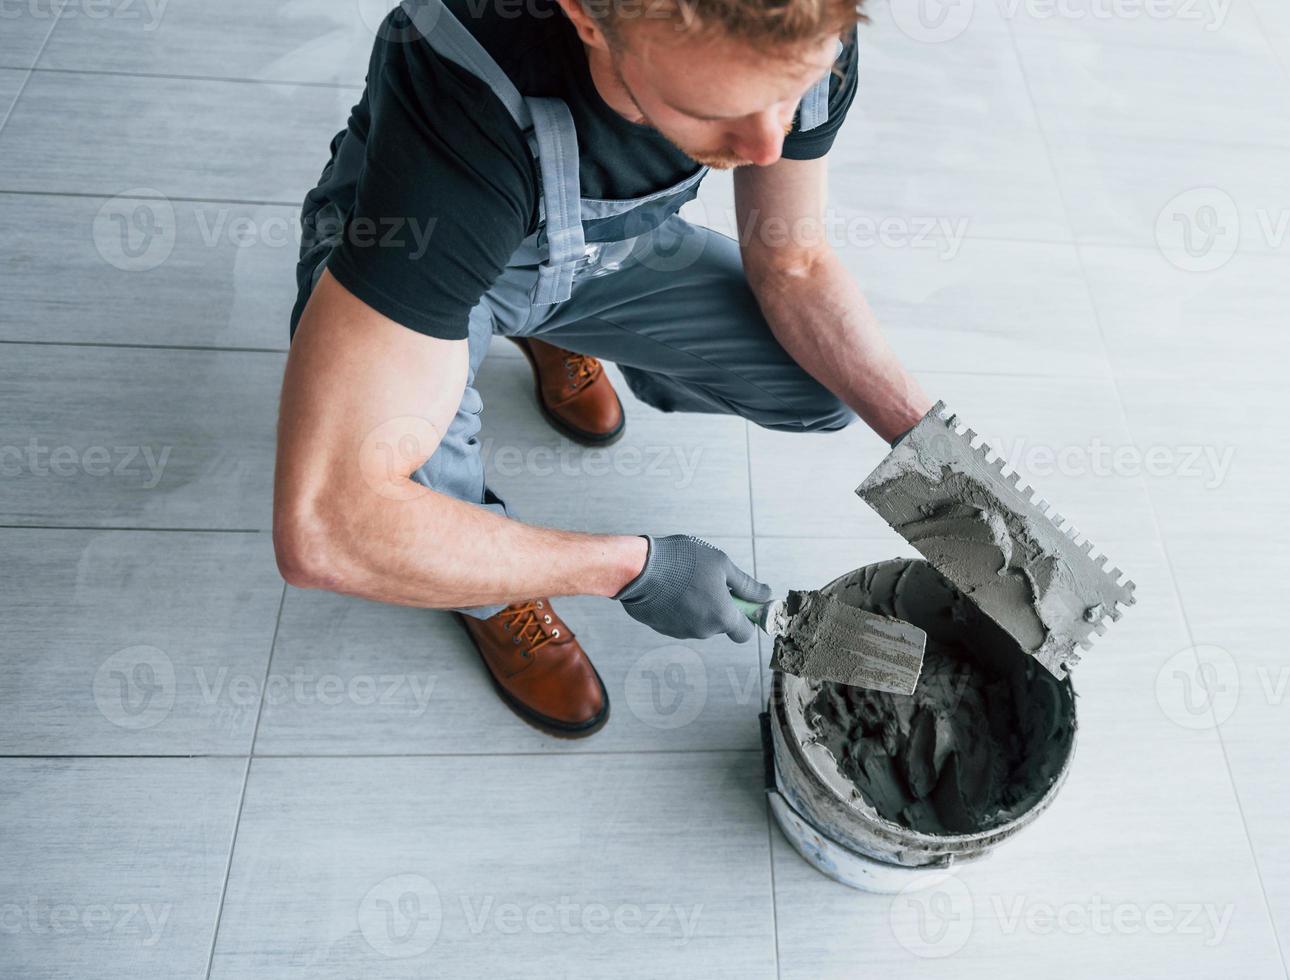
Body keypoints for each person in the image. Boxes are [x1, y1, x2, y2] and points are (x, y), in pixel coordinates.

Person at [273, 0, 931, 737]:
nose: (769, 146)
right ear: (588, 18)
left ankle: (556, 321)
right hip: (421, 254)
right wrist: (628, 569)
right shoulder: (463, 98)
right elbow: (328, 525)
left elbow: (796, 261)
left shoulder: (804, 26)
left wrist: (929, 449)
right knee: (405, 473)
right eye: (715, 112)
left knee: (825, 386)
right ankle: (490, 596)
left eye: (792, 93)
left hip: (594, 250)